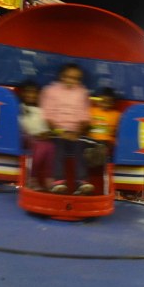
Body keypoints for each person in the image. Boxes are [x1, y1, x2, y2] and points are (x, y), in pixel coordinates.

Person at [40, 63, 94, 195]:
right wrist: (61, 132)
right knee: (58, 146)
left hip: (76, 134)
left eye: (75, 78)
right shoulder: (50, 91)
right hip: (57, 133)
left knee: (81, 146)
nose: (71, 81)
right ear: (61, 76)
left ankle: (82, 183)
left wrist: (78, 132)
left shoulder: (82, 92)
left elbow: (84, 116)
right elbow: (47, 116)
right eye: (68, 77)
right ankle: (58, 182)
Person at [17, 80, 54, 191]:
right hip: (27, 137)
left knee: (51, 147)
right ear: (23, 93)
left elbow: (45, 125)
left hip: (43, 138)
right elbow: (22, 125)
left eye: (34, 93)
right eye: (28, 92)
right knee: (40, 147)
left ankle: (49, 180)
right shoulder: (20, 108)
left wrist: (48, 132)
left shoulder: (41, 109)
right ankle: (31, 180)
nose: (31, 95)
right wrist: (35, 135)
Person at [85, 87, 122, 166]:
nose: (105, 104)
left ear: (113, 103)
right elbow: (85, 125)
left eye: (109, 102)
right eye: (103, 101)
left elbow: (118, 131)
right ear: (99, 100)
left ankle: (94, 162)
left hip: (106, 141)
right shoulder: (92, 110)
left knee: (101, 148)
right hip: (90, 140)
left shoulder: (117, 115)